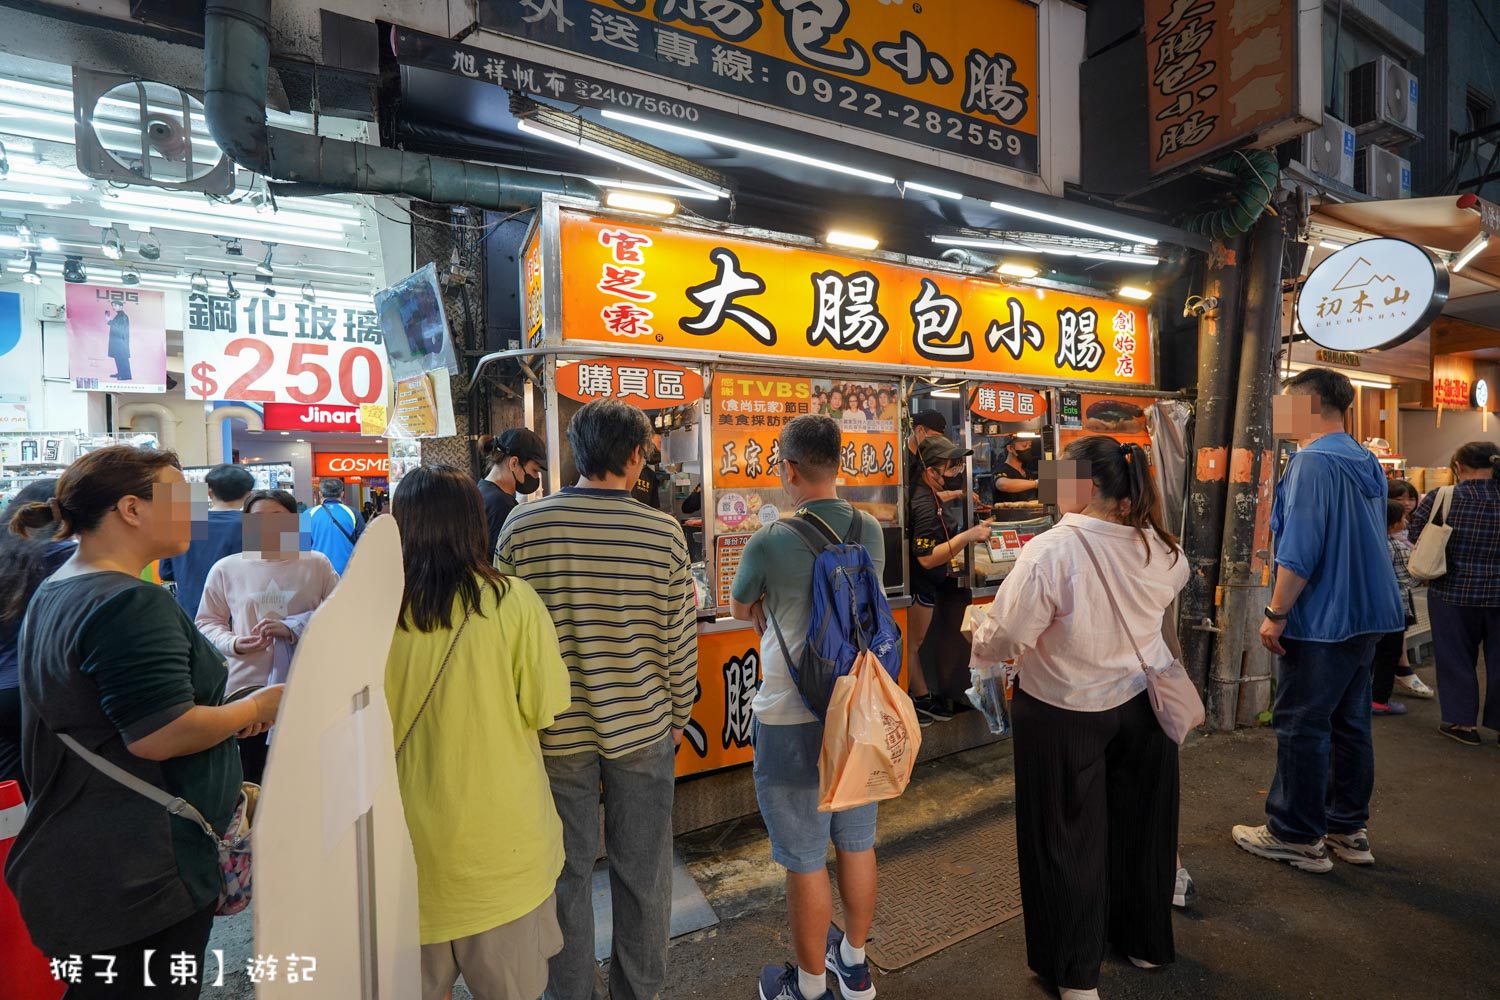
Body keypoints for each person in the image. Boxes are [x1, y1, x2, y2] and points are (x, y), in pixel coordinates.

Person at [3, 446, 282, 997]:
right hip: (142, 863)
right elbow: (161, 733)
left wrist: (226, 714)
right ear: (131, 509)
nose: (194, 513)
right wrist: (256, 709)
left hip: (88, 851)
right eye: (181, 499)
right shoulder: (129, 601)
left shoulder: (60, 586)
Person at [971, 436, 1188, 1000]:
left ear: (1086, 485)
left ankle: (1076, 975)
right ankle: (1144, 943)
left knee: (1065, 837)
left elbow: (1008, 633)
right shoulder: (1161, 546)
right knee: (1143, 828)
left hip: (1064, 708)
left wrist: (979, 635)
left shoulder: (1052, 549)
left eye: (1061, 475)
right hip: (1145, 704)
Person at [495, 399, 697, 1000]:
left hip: (553, 734)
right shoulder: (663, 533)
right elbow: (677, 640)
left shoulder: (523, 528)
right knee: (644, 875)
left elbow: (503, 635)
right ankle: (638, 992)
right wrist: (678, 716)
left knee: (564, 876)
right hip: (642, 729)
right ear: (635, 456)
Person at [386, 465, 571, 1000]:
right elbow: (545, 708)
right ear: (474, 524)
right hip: (501, 853)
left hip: (402, 857)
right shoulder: (513, 602)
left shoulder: (370, 612)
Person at [729, 415, 884, 1000]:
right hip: (856, 713)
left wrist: (768, 597)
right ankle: (856, 965)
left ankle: (812, 988)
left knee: (804, 858)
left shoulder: (769, 539)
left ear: (789, 468)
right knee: (857, 840)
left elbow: (741, 604)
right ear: (838, 464)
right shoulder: (869, 528)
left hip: (791, 717)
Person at [1234, 368, 1403, 872]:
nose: (1279, 412)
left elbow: (1301, 551)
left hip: (1324, 618)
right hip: (1371, 612)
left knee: (1302, 725)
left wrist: (1275, 613)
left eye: (1286, 402)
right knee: (1350, 723)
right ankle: (1347, 828)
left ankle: (1295, 834)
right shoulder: (1362, 457)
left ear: (1309, 405)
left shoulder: (1310, 462)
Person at [196, 489, 339, 783]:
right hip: (248, 689)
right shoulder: (227, 568)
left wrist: (294, 628)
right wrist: (234, 643)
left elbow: (340, 614)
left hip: (306, 684)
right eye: (258, 519)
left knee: (308, 774)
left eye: (277, 518)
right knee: (254, 774)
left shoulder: (317, 564)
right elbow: (207, 622)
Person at [1407, 441, 1500, 746]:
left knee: (1456, 657)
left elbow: (1415, 535)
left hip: (1452, 593)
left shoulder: (1444, 496)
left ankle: (1463, 725)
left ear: (1458, 468)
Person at [907, 435, 993, 725]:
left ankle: (920, 696)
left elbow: (935, 499)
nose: (955, 472)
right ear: (931, 471)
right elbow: (927, 557)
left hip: (929, 586)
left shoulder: (924, 491)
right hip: (919, 587)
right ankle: (919, 700)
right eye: (950, 467)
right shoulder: (923, 504)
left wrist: (957, 495)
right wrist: (969, 535)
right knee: (912, 645)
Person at [0, 478, 73, 795]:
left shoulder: (6, 554)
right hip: (40, 688)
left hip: (4, 688)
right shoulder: (69, 559)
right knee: (54, 790)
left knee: (14, 792)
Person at [160, 464, 254, 616]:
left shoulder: (182, 521)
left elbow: (165, 572)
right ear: (249, 494)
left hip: (189, 613)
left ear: (209, 492)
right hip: (236, 616)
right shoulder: (254, 525)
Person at [1369, 501, 1416, 717]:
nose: (1405, 522)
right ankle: (1379, 700)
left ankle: (1361, 698)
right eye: (1402, 519)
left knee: (1368, 655)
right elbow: (1410, 577)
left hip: (1370, 609)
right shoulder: (1397, 547)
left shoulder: (1367, 542)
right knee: (1389, 655)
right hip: (1395, 609)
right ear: (1394, 524)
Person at [478, 428, 547, 557]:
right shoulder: (502, 505)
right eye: (534, 470)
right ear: (514, 463)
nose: (536, 477)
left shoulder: (481, 490)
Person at [303, 477, 365, 575]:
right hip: (347, 573)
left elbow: (300, 548)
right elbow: (363, 545)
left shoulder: (307, 514)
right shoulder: (354, 513)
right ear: (342, 494)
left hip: (317, 572)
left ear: (320, 494)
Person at [903, 409, 947, 492]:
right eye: (934, 437)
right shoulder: (901, 459)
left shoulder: (929, 459)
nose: (937, 442)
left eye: (940, 438)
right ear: (919, 430)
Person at [994, 436, 1041, 501]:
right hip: (1008, 511)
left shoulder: (1029, 474)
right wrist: (1036, 483)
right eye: (1024, 446)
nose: (1028, 449)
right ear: (1010, 448)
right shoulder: (1001, 470)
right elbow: (1003, 485)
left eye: (1029, 446)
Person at [106, 302, 132, 381]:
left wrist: (109, 321)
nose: (114, 307)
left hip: (121, 341)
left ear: (121, 306)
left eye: (115, 305)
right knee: (118, 358)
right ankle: (121, 373)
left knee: (122, 358)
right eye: (113, 306)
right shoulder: (119, 315)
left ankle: (126, 375)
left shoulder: (123, 316)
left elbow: (119, 327)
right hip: (119, 341)